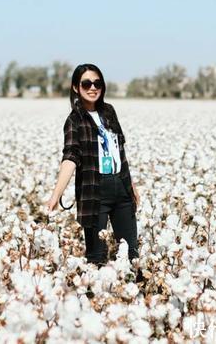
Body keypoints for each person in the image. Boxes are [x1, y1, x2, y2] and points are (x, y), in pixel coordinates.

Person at [45, 64, 142, 278]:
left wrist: (131, 186)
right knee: (96, 257)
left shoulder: (109, 112)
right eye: (86, 83)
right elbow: (71, 157)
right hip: (94, 190)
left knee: (131, 254)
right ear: (75, 88)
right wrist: (56, 194)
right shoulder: (75, 120)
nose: (92, 88)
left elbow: (120, 152)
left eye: (97, 83)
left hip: (121, 187)